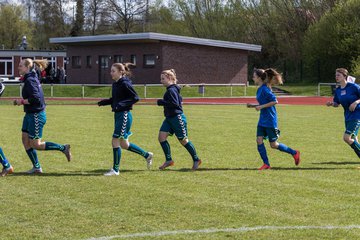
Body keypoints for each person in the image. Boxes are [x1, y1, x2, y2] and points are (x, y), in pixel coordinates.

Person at [14, 58, 71, 174]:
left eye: (20, 65)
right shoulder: (30, 77)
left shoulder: (30, 80)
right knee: (25, 140)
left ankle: (63, 148)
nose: (18, 67)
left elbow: (36, 98)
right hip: (30, 114)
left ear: (27, 67)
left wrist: (21, 102)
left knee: (36, 144)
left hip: (36, 115)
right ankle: (36, 167)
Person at [98, 63, 153, 176]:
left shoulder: (125, 83)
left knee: (115, 140)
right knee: (124, 144)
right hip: (118, 115)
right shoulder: (116, 84)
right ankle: (147, 155)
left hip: (124, 115)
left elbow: (135, 98)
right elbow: (116, 99)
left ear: (120, 72)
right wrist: (106, 102)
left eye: (113, 71)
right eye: (111, 70)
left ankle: (115, 170)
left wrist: (121, 105)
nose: (111, 73)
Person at [247, 68, 300, 170]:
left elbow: (275, 101)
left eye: (254, 76)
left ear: (259, 78)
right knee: (259, 140)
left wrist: (260, 107)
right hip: (262, 120)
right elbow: (263, 103)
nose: (252, 78)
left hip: (270, 120)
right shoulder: (260, 89)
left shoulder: (266, 89)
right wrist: (253, 105)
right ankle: (266, 164)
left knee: (274, 145)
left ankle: (294, 152)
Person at [157, 69, 202, 170]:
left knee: (183, 141)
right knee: (161, 137)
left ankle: (196, 159)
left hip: (177, 118)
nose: (161, 81)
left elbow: (175, 104)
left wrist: (162, 102)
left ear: (169, 78)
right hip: (169, 118)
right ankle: (169, 160)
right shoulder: (171, 89)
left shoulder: (171, 90)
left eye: (163, 78)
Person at [326, 68, 360, 159]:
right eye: (336, 75)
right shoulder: (338, 90)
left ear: (344, 76)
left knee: (346, 137)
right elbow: (337, 103)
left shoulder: (353, 87)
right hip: (347, 116)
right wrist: (332, 104)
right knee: (353, 137)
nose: (336, 77)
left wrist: (356, 102)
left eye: (338, 75)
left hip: (357, 115)